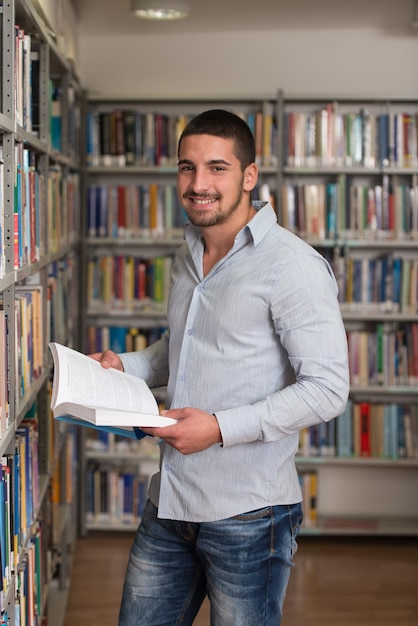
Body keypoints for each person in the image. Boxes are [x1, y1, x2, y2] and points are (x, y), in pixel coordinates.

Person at [90, 109, 350, 626]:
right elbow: (186, 344)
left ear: (249, 177)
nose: (199, 184)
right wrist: (129, 365)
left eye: (217, 168)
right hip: (170, 502)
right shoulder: (189, 253)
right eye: (188, 168)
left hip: (249, 515)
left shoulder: (292, 266)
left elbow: (327, 389)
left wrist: (218, 428)